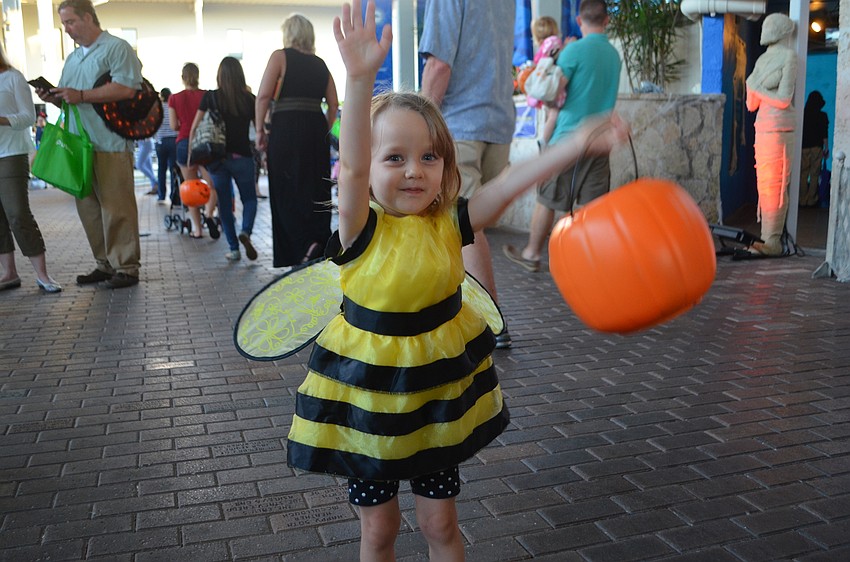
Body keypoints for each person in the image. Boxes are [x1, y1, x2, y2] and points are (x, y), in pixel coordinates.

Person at [287, 3, 628, 560]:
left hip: (436, 395)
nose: (414, 170)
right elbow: (349, 168)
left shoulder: (450, 222)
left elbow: (512, 182)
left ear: (447, 164)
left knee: (440, 524)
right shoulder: (358, 228)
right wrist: (356, 79)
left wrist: (575, 144)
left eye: (428, 157)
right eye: (393, 157)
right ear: (369, 168)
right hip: (369, 401)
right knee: (379, 530)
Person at [419, 0, 516, 348]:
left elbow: (439, 64)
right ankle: (465, 309)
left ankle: (492, 321)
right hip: (499, 120)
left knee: (464, 224)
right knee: (473, 221)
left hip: (460, 121)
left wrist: (422, 122)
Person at [502, 0, 621, 273]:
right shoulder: (614, 56)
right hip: (601, 141)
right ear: (607, 21)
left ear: (579, 21)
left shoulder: (574, 51)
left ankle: (532, 253)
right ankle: (591, 260)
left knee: (549, 199)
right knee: (593, 206)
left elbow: (553, 91)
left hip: (567, 139)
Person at [35, 0, 143, 289]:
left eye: (70, 22)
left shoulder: (116, 48)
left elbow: (127, 87)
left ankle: (126, 267)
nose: (67, 29)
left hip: (110, 140)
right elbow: (69, 95)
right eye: (64, 24)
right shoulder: (72, 58)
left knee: (116, 206)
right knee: (88, 207)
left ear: (88, 17)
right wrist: (53, 96)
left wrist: (81, 95)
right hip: (78, 143)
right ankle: (104, 263)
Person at [255, 13, 339, 267]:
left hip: (286, 128)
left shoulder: (280, 57)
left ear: (288, 34)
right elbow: (333, 104)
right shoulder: (321, 63)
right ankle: (316, 240)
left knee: (285, 188)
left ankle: (296, 249)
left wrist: (260, 130)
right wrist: (322, 127)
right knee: (315, 186)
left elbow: (263, 96)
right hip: (315, 127)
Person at [0, 44, 61, 293]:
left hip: (11, 153)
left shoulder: (12, 77)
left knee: (17, 214)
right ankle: (9, 273)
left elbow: (28, 117)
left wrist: (1, 119)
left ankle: (43, 275)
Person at [189, 57, 257, 261]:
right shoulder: (249, 99)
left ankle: (234, 248)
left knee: (225, 205)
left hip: (217, 159)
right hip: (243, 156)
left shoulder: (211, 97)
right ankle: (245, 231)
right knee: (250, 198)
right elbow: (260, 127)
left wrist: (192, 154)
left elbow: (195, 127)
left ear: (220, 75)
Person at [746, 13, 797, 256]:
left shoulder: (789, 57)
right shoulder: (762, 60)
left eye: (770, 26)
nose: (765, 30)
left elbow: (784, 99)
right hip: (763, 125)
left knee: (776, 183)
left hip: (779, 126)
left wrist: (756, 87)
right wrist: (754, 89)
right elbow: (750, 104)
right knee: (764, 183)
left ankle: (773, 239)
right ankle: (767, 237)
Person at [169, 62, 218, 239]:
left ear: (183, 78)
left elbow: (174, 125)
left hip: (184, 143)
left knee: (191, 189)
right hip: (205, 144)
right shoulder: (207, 95)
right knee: (212, 185)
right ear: (198, 76)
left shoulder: (174, 98)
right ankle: (209, 214)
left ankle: (197, 230)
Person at [799, 90, 829, 207]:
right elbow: (824, 134)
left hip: (804, 148)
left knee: (803, 173)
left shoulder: (802, 114)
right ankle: (811, 200)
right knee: (815, 173)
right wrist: (826, 148)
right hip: (817, 148)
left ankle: (802, 199)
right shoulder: (822, 116)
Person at [154, 87, 178, 204]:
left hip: (160, 142)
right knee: (173, 169)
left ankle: (161, 195)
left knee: (161, 169)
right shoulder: (173, 108)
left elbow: (153, 126)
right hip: (174, 141)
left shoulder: (157, 109)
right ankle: (174, 197)